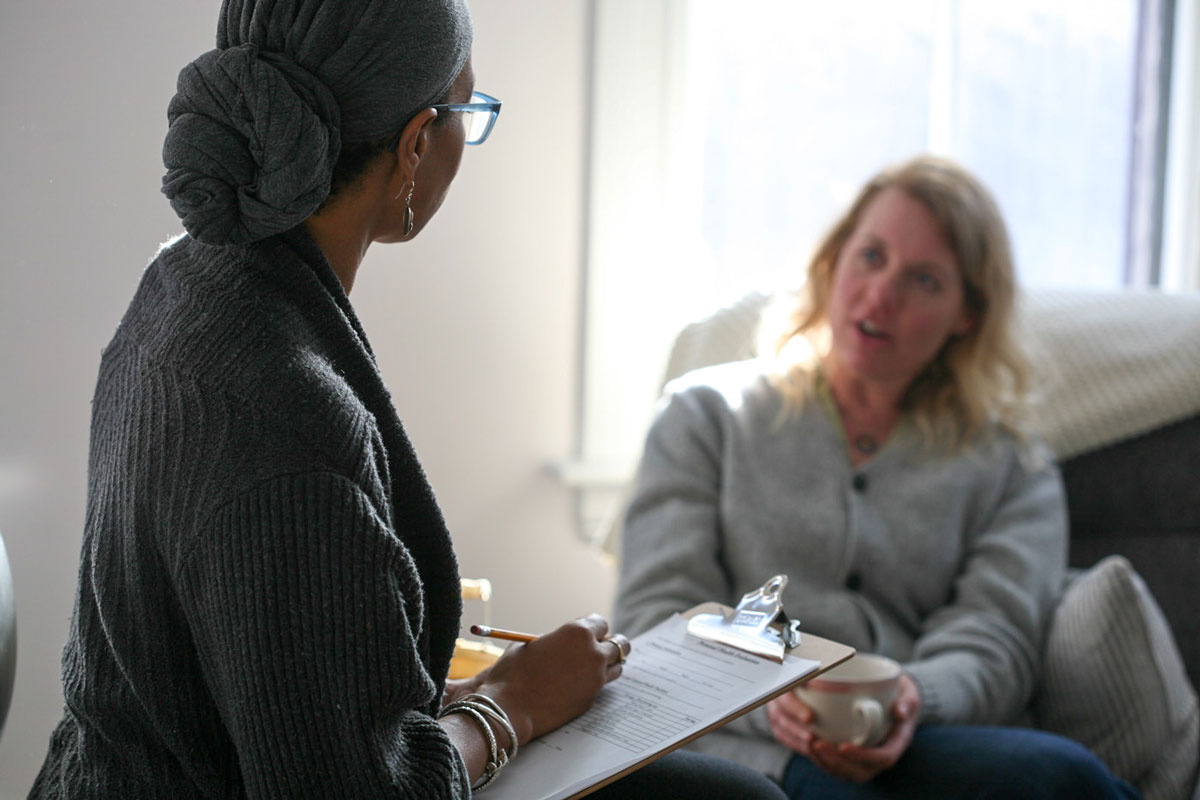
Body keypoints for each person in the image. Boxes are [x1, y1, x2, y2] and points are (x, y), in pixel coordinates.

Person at [30, 1, 788, 798]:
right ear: (417, 144)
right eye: (467, 112)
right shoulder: (292, 427)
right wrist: (512, 704)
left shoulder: (182, 278)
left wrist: (442, 699)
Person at [613, 156, 1140, 799]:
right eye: (870, 257)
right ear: (833, 263)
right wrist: (771, 701)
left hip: (920, 744)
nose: (881, 295)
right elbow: (658, 617)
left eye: (923, 279)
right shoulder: (706, 416)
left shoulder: (1011, 466)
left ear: (967, 313)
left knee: (1068, 778)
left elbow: (996, 642)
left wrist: (910, 699)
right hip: (742, 752)